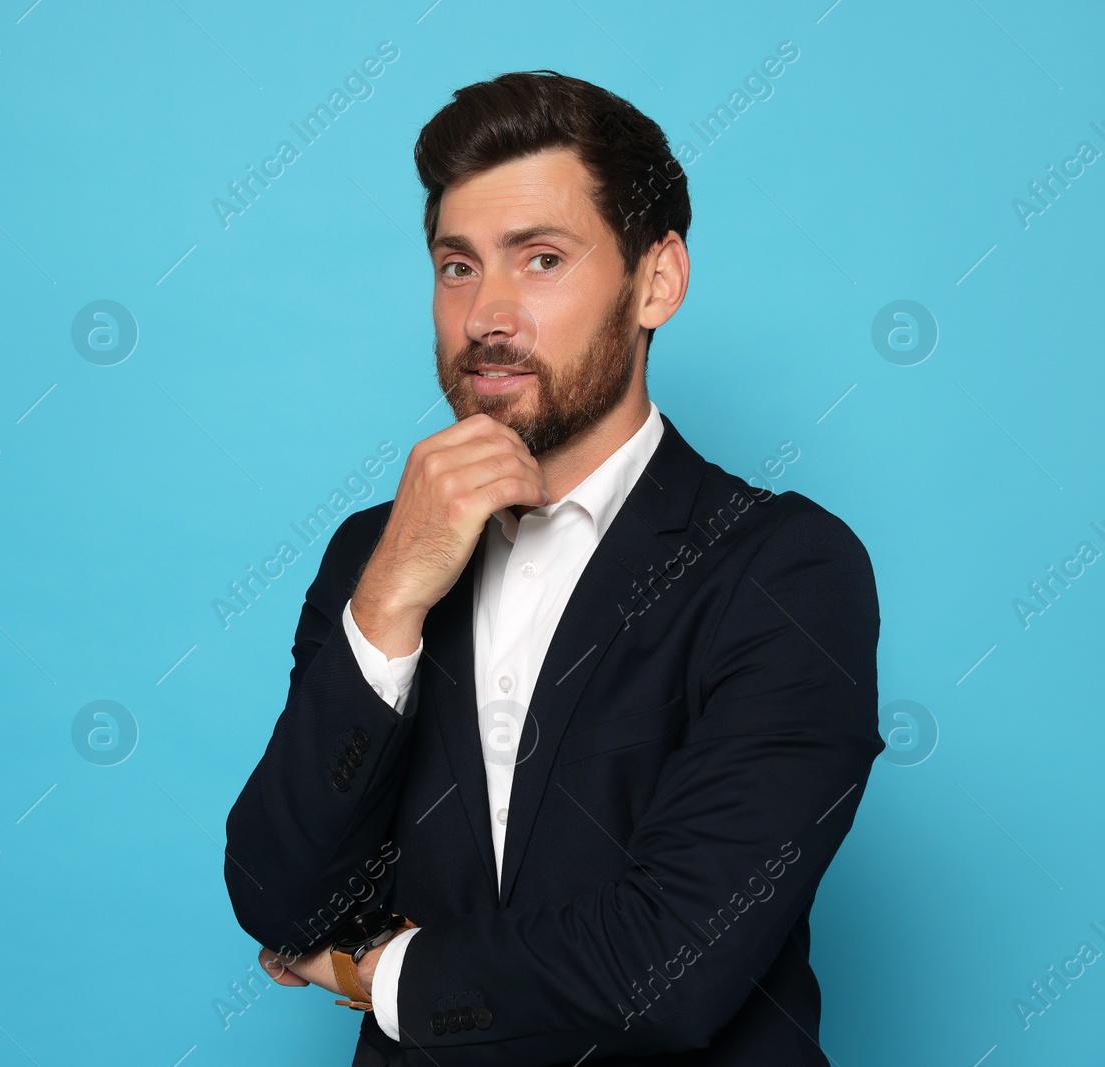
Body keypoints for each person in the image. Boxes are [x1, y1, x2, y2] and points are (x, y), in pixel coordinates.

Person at [224, 70, 883, 1066]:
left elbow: (672, 964)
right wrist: (391, 599)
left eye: (539, 259)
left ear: (654, 280)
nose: (488, 312)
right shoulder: (376, 552)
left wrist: (377, 974)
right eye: (457, 265)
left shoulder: (785, 568)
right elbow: (280, 896)